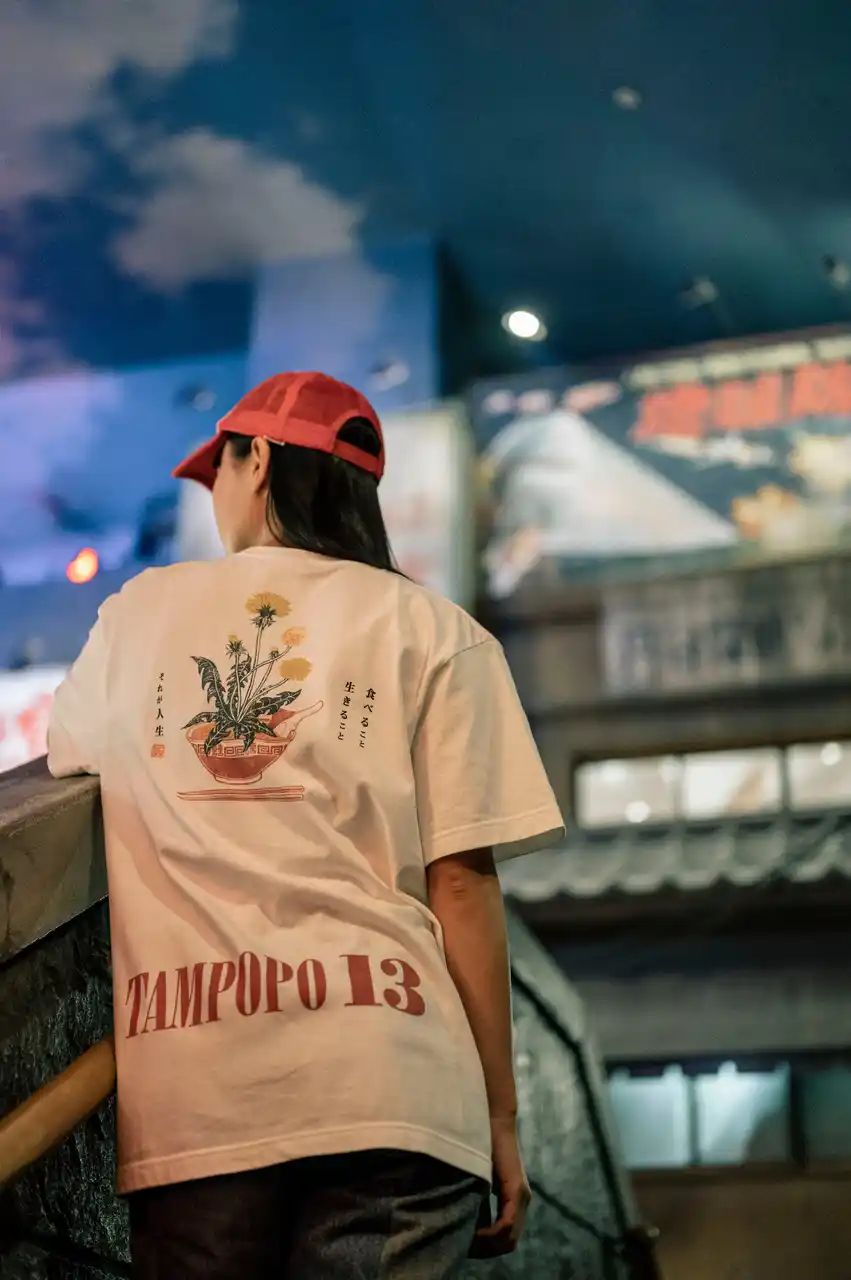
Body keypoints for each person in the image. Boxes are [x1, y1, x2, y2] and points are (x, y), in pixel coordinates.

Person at [47, 371, 565, 1279]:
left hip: (198, 1101)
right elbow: (459, 883)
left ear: (255, 462)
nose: (214, 497)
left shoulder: (136, 616)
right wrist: (498, 1119)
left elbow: (68, 762)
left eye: (217, 471)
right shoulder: (437, 630)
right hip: (397, 1089)